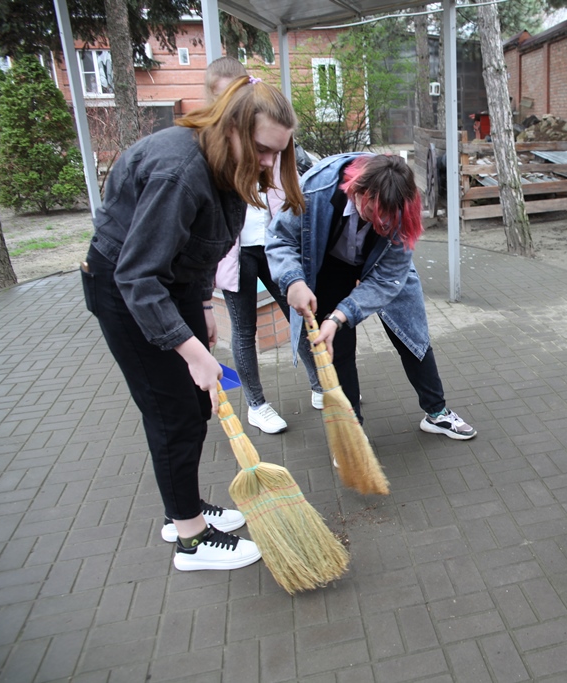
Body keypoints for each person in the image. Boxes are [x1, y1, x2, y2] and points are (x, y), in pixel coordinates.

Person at [81, 76, 305, 571]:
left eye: (278, 153)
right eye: (265, 151)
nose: (270, 163)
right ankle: (189, 539)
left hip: (172, 286)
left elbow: (202, 246)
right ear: (234, 128)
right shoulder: (178, 172)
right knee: (172, 413)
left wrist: (202, 308)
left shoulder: (225, 162)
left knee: (194, 408)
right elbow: (137, 275)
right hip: (127, 292)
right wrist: (193, 353)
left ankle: (183, 507)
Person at [266, 152, 477, 440]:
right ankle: (352, 430)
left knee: (412, 334)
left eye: (387, 219)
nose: (381, 223)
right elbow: (280, 239)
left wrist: (341, 316)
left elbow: (386, 281)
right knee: (337, 345)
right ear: (357, 190)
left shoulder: (404, 209)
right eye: (374, 214)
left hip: (383, 264)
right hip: (329, 261)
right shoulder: (316, 187)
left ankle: (437, 413)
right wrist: (293, 280)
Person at [206, 58, 322, 435]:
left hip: (273, 248)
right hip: (236, 255)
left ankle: (320, 384)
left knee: (298, 317)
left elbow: (290, 188)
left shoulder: (268, 141)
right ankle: (256, 404)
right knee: (243, 331)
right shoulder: (215, 150)